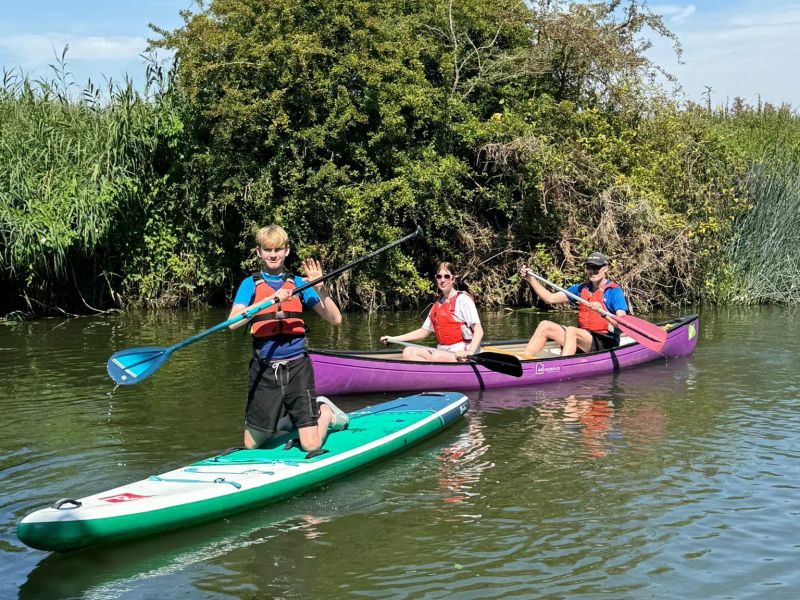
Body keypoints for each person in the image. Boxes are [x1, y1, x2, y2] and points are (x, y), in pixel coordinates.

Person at [228, 224, 348, 451]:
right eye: (268, 250)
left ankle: (325, 413)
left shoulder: (300, 284)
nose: (273, 254)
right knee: (251, 444)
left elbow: (335, 319)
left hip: (297, 368)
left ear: (287, 251)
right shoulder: (249, 284)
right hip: (264, 368)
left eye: (278, 249)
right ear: (259, 252)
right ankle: (288, 419)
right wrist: (270, 300)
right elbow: (233, 322)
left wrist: (321, 289)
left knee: (311, 445)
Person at [519, 251, 628, 357]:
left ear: (606, 268)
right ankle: (523, 359)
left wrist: (603, 313)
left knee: (571, 330)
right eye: (589, 267)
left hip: (606, 341)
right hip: (584, 338)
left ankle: (563, 364)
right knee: (545, 325)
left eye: (596, 267)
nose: (592, 271)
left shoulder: (614, 291)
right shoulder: (581, 289)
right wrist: (530, 279)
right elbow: (550, 298)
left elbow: (623, 324)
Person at [379, 262, 484, 361]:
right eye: (439, 276)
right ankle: (427, 372)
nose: (442, 280)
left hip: (463, 352)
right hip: (442, 351)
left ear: (453, 279)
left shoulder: (463, 300)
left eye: (446, 276)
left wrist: (469, 352)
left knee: (437, 356)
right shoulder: (437, 303)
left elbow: (479, 331)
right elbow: (424, 331)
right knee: (408, 351)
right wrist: (394, 339)